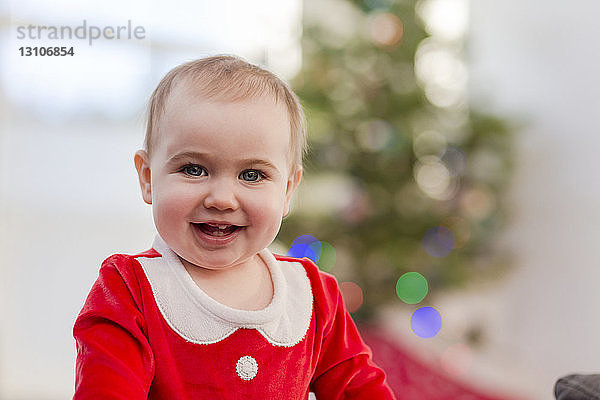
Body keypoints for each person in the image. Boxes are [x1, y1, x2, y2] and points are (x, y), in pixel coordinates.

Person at [72, 55, 396, 399]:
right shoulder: (130, 289)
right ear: (148, 178)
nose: (222, 199)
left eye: (251, 175)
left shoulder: (311, 295)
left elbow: (362, 389)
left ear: (287, 190)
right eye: (194, 169)